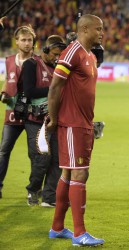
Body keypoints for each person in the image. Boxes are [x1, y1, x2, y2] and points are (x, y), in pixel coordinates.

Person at [47, 14, 105, 246]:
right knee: (80, 173)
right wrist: (52, 119)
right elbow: (54, 87)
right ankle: (80, 233)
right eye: (98, 29)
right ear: (84, 29)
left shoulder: (90, 55)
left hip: (83, 123)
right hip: (71, 123)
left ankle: (57, 227)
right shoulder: (72, 51)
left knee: (69, 173)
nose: (102, 33)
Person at [23, 35, 66, 207]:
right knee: (42, 159)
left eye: (60, 55)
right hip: (35, 121)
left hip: (55, 121)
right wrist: (53, 88)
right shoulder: (31, 65)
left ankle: (49, 198)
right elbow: (29, 91)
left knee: (57, 160)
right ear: (45, 50)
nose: (57, 58)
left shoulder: (60, 68)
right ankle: (33, 190)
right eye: (55, 54)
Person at [0, 25, 35, 198]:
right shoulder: (8, 60)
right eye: (23, 40)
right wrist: (3, 93)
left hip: (32, 113)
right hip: (12, 111)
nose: (27, 43)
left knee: (34, 154)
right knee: (4, 151)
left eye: (29, 40)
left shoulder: (38, 62)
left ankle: (33, 191)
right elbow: (8, 80)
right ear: (17, 42)